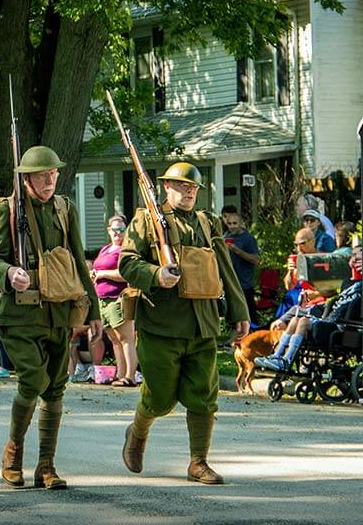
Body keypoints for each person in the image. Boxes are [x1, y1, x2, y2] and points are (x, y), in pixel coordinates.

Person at [118, 162, 249, 485]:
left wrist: (239, 311)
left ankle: (198, 462)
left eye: (193, 188)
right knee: (160, 398)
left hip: (202, 323)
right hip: (161, 325)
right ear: (166, 187)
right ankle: (137, 431)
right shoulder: (146, 220)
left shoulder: (206, 223)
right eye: (182, 187)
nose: (189, 192)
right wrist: (155, 274)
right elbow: (127, 263)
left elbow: (224, 269)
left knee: (203, 396)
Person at [0, 145, 101, 490]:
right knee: (33, 381)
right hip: (20, 315)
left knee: (56, 388)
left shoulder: (65, 209)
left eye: (53, 174)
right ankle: (14, 450)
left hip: (58, 312)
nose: (49, 180)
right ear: (26, 178)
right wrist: (8, 272)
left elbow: (79, 260)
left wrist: (92, 309)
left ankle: (46, 465)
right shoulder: (5, 210)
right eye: (41, 175)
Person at [258, 242, 363, 372]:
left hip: (343, 326)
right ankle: (277, 356)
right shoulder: (347, 281)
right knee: (295, 319)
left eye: (358, 258)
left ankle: (287, 361)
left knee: (303, 321)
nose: (354, 260)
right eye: (353, 256)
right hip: (330, 317)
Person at [92, 216, 139, 386]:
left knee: (126, 338)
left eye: (121, 230)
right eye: (114, 229)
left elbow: (125, 273)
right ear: (109, 230)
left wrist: (103, 274)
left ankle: (130, 376)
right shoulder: (105, 249)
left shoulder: (126, 250)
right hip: (102, 300)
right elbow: (97, 269)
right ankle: (120, 374)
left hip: (118, 298)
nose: (118, 233)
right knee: (114, 339)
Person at [221, 205, 261, 326]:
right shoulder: (225, 237)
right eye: (229, 223)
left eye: (235, 223)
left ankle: (256, 336)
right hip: (231, 282)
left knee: (250, 315)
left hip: (245, 283)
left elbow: (256, 260)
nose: (232, 226)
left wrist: (237, 251)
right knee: (233, 316)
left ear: (241, 223)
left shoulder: (248, 239)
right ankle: (235, 339)